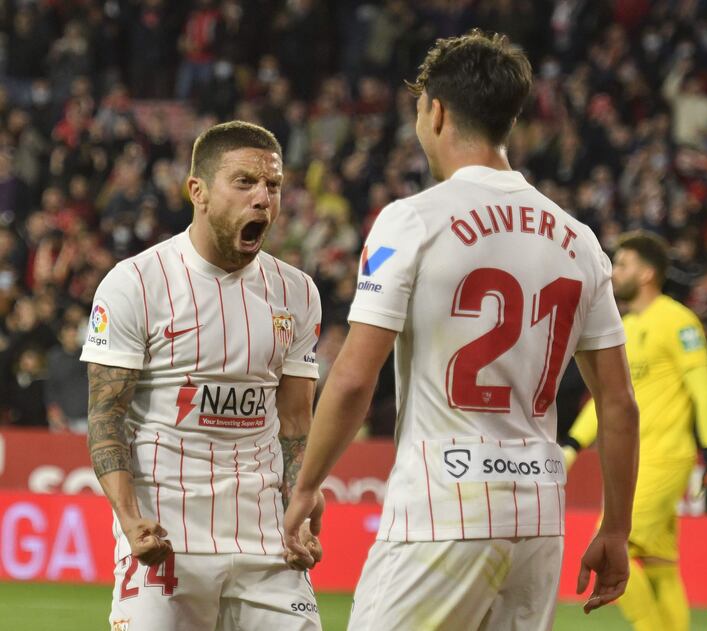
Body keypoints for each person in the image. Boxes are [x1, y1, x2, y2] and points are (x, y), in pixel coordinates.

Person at [284, 30, 639, 631]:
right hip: (539, 518)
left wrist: (306, 486)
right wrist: (617, 526)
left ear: (437, 111)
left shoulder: (413, 220)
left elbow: (352, 379)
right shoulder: (580, 239)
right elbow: (619, 403)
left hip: (441, 509)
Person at [80, 121, 324, 630]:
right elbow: (106, 415)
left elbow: (296, 420)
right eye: (244, 182)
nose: (263, 199)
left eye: (273, 186)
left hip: (267, 541)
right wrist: (128, 521)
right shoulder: (135, 284)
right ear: (199, 192)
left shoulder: (297, 292)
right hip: (164, 538)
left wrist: (300, 498)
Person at [562, 231, 707, 631]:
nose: (614, 272)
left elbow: (703, 389)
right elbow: (605, 400)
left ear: (648, 273)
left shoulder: (678, 320)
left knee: (610, 550)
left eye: (623, 264)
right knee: (660, 568)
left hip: (664, 456)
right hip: (637, 460)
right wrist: (571, 444)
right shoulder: (627, 327)